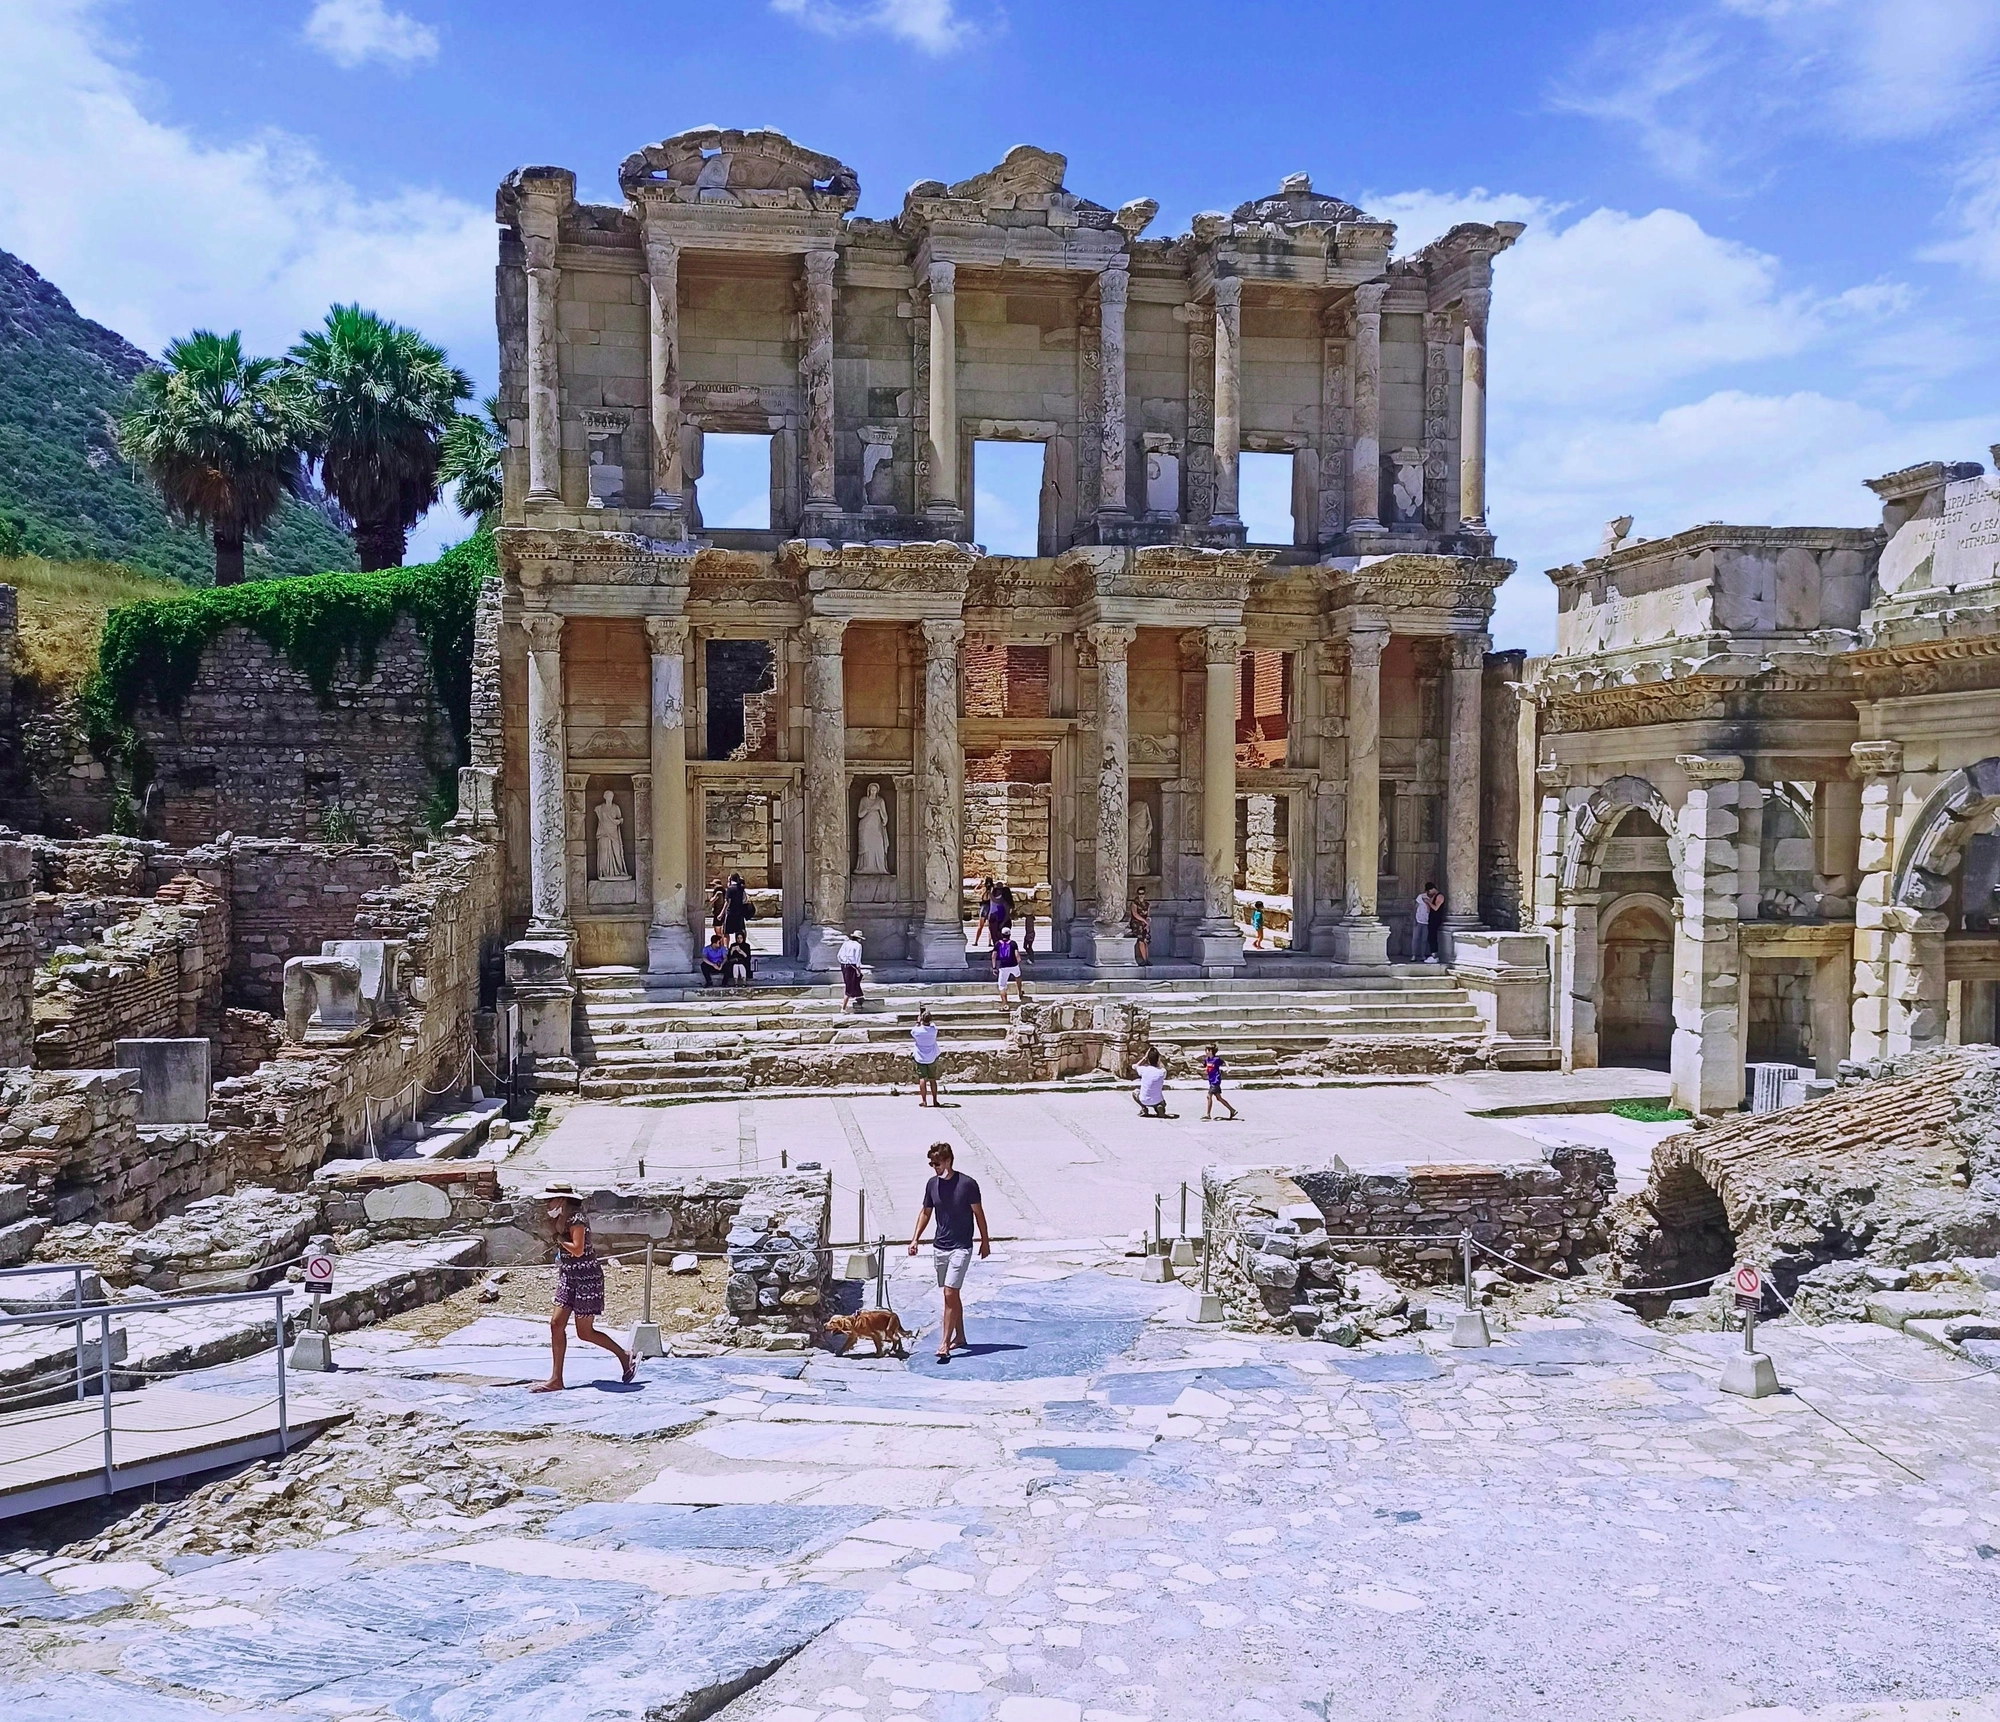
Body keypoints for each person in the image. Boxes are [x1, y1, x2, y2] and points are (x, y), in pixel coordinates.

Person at [533, 1183, 634, 1392]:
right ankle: (556, 1379)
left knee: (585, 1333)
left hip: (587, 1279)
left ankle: (624, 1356)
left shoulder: (577, 1219)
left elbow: (578, 1249)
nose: (547, 1205)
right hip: (569, 1277)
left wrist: (560, 1240)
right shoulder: (559, 1219)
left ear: (561, 1200)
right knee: (556, 1324)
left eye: (549, 1200)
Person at [907, 1142, 989, 1364]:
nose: (934, 1167)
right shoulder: (932, 1185)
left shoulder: (968, 1184)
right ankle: (960, 1336)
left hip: (961, 1246)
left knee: (949, 1294)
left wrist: (985, 1240)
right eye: (931, 1163)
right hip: (940, 1247)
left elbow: (979, 1214)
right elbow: (925, 1212)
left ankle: (944, 1343)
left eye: (937, 1163)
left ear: (949, 1160)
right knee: (951, 1294)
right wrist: (915, 1238)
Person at [911, 1005, 942, 1107]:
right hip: (932, 1057)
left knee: (922, 1079)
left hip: (920, 1057)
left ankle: (924, 1100)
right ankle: (935, 1100)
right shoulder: (934, 1030)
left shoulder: (917, 1031)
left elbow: (913, 1031)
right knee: (932, 1079)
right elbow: (933, 1025)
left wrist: (918, 1021)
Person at [1202, 1042, 1238, 1121]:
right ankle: (1232, 1110)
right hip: (1211, 1081)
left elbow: (1225, 1062)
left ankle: (1208, 1114)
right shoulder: (1206, 1060)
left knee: (1209, 1096)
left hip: (1216, 1080)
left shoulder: (1216, 1059)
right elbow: (1205, 1067)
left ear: (1212, 1051)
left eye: (1208, 1050)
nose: (1206, 1051)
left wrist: (1228, 1068)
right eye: (1206, 1050)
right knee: (1219, 1098)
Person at [993, 925, 1025, 1005]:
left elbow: (993, 956)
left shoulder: (998, 944)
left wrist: (994, 967)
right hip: (1013, 965)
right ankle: (1019, 992)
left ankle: (1005, 1004)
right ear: (1009, 935)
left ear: (1001, 934)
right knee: (1018, 976)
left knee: (1002, 986)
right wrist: (1018, 962)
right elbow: (1017, 955)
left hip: (1003, 966)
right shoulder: (1013, 943)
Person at [1134, 1046, 1168, 1118]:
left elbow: (1135, 1066)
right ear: (1158, 1059)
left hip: (1144, 1100)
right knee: (1163, 1103)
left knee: (1135, 1092)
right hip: (1157, 1100)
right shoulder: (1162, 1072)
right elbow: (1163, 1067)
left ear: (1148, 1060)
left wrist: (1144, 1058)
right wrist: (1159, 1060)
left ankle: (1144, 1108)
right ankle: (1159, 1107)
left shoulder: (1144, 1070)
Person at [838, 927, 866, 1012]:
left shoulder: (845, 944)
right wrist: (858, 969)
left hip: (844, 965)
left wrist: (843, 962)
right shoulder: (858, 946)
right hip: (852, 967)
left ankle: (859, 997)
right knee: (850, 985)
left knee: (853, 982)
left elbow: (839, 955)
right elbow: (857, 958)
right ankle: (843, 1007)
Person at [723, 872, 750, 940]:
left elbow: (727, 902)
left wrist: (722, 913)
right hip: (740, 912)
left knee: (726, 932)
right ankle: (742, 943)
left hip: (731, 912)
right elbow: (745, 899)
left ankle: (726, 948)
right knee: (740, 929)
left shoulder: (730, 889)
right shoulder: (741, 888)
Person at [1423, 883, 1446, 962]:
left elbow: (1436, 908)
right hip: (1432, 918)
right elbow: (1431, 909)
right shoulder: (1433, 897)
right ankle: (1433, 954)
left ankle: (1435, 956)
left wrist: (1428, 902)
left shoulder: (1440, 896)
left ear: (1432, 889)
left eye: (1429, 891)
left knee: (1433, 936)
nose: (1428, 893)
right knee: (1430, 936)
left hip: (1436, 918)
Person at [1129, 887, 1151, 966]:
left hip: (1145, 925)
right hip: (1137, 924)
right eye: (1139, 893)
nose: (1141, 895)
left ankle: (1147, 959)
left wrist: (1147, 924)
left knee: (1146, 941)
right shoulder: (1134, 903)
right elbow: (1135, 914)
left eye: (1142, 893)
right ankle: (1144, 959)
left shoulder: (1147, 904)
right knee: (1141, 941)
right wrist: (1144, 921)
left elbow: (1148, 916)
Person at [971, 879, 996, 947]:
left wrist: (979, 884)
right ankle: (989, 942)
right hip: (990, 907)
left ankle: (976, 941)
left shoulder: (983, 889)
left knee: (980, 926)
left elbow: (975, 890)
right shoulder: (992, 890)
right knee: (990, 926)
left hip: (984, 907)